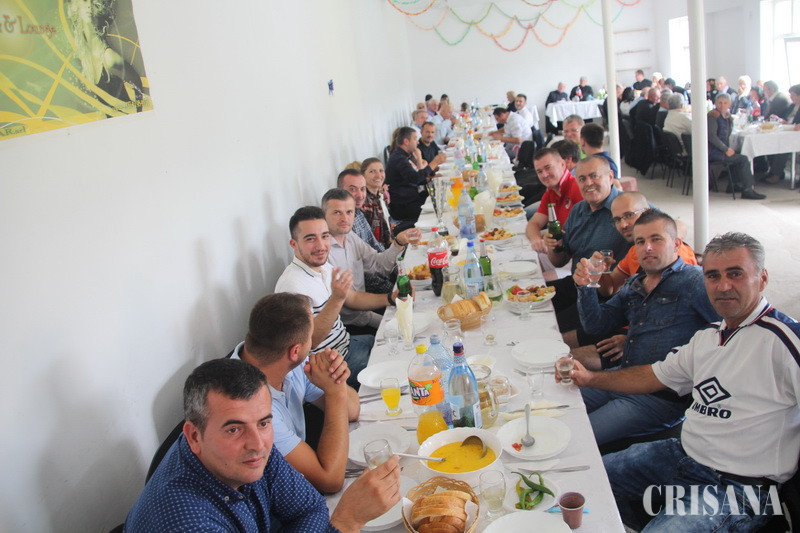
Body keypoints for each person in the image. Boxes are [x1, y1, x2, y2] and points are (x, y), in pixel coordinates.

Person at [567, 232, 799, 532]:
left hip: (740, 486)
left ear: (762, 278)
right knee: (582, 482)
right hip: (682, 455)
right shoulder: (708, 336)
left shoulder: (785, 339)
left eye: (736, 274)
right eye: (713, 276)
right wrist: (589, 379)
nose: (723, 286)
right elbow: (653, 375)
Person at [124, 358, 401, 533]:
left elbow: (309, 508)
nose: (258, 444)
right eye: (234, 429)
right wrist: (346, 521)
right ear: (194, 437)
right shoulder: (188, 522)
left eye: (264, 422)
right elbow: (320, 516)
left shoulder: (251, 448)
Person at [567, 210, 720, 444]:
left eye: (656, 239)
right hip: (620, 378)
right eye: (640, 241)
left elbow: (727, 335)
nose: (647, 247)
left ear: (676, 244)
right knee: (558, 407)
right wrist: (587, 286)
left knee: (577, 439)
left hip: (657, 399)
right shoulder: (634, 284)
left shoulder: (695, 282)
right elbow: (596, 325)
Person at [231, 293, 359, 493]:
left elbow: (352, 411)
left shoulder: (283, 360)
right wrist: (335, 393)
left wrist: (336, 380)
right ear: (295, 351)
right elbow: (330, 480)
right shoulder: (251, 408)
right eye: (310, 337)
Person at [275, 207, 396, 386]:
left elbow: (352, 298)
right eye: (310, 239)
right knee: (397, 371)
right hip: (332, 368)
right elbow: (310, 341)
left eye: (324, 236)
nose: (320, 246)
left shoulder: (322, 266)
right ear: (294, 244)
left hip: (349, 344)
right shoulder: (292, 286)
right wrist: (337, 299)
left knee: (401, 342)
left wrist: (390, 298)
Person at [544, 156, 630, 343]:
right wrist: (554, 247)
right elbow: (559, 261)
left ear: (610, 176)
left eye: (594, 176)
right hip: (577, 283)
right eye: (582, 179)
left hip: (605, 297)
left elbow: (670, 225)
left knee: (548, 330)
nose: (588, 183)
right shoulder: (578, 210)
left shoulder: (625, 207)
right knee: (532, 303)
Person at [323, 188, 416, 332]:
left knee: (413, 321)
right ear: (324, 215)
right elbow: (350, 301)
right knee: (405, 329)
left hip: (365, 314)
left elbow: (379, 266)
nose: (344, 218)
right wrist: (391, 299)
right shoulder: (323, 252)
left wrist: (398, 243)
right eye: (337, 212)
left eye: (349, 212)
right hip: (348, 327)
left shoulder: (350, 237)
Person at [587, 192, 698, 301]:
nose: (623, 225)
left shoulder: (674, 253)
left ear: (646, 212)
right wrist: (599, 271)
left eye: (629, 215)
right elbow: (610, 288)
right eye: (617, 220)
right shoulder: (635, 250)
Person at [338, 169, 395, 294]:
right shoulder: (342, 227)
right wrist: (391, 287)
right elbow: (363, 273)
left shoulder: (358, 214)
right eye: (353, 189)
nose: (360, 195)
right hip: (365, 292)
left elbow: (376, 247)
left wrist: (394, 266)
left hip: (379, 271)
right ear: (340, 191)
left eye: (363, 189)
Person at [707, 93, 765, 199]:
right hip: (713, 152)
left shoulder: (727, 116)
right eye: (720, 103)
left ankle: (733, 185)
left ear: (729, 104)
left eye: (725, 103)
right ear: (715, 103)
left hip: (720, 150)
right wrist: (725, 149)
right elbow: (711, 136)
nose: (722, 105)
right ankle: (747, 190)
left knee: (738, 155)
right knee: (743, 159)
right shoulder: (713, 116)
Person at [525, 148, 583, 253]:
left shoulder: (577, 187)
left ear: (563, 164)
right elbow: (534, 223)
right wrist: (536, 240)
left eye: (548, 168)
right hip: (562, 250)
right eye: (539, 171)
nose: (544, 175)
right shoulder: (551, 192)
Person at [385, 126, 446, 225]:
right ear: (406, 141)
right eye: (415, 139)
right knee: (438, 210)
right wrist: (434, 162)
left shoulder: (403, 155)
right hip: (403, 206)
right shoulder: (399, 158)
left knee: (441, 198)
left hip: (411, 199)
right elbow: (415, 179)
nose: (417, 142)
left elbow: (416, 178)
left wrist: (431, 178)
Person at [762, 80, 794, 183]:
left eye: (793, 95)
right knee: (767, 143)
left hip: (792, 134)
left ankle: (776, 173)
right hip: (785, 130)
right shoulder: (793, 106)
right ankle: (773, 171)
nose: (791, 97)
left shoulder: (780, 99)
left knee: (780, 146)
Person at [360, 158, 393, 249]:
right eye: (372, 171)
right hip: (377, 253)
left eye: (381, 170)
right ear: (363, 175)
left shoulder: (378, 196)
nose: (378, 175)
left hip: (388, 246)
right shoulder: (364, 202)